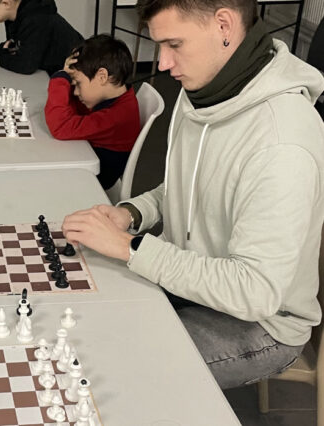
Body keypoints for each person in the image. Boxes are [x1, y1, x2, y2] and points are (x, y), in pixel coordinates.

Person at [62, 0, 324, 389]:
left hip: (263, 324)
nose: (164, 63)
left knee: (103, 375)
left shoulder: (282, 142)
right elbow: (187, 186)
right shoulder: (202, 90)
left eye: (174, 44)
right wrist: (131, 213)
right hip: (193, 280)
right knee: (83, 322)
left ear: (224, 26)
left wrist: (131, 248)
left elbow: (254, 291)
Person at [45, 34, 141, 190]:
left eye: (78, 84)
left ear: (102, 77)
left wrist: (60, 79)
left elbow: (60, 126)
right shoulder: (117, 97)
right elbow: (75, 111)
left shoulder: (117, 116)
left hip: (92, 182)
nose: (75, 92)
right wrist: (70, 81)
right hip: (85, 159)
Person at [0, 0, 84, 75]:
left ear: (6, 3)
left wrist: (4, 57)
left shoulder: (36, 19)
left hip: (76, 77)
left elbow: (26, 66)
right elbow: (13, 47)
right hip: (50, 74)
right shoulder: (17, 15)